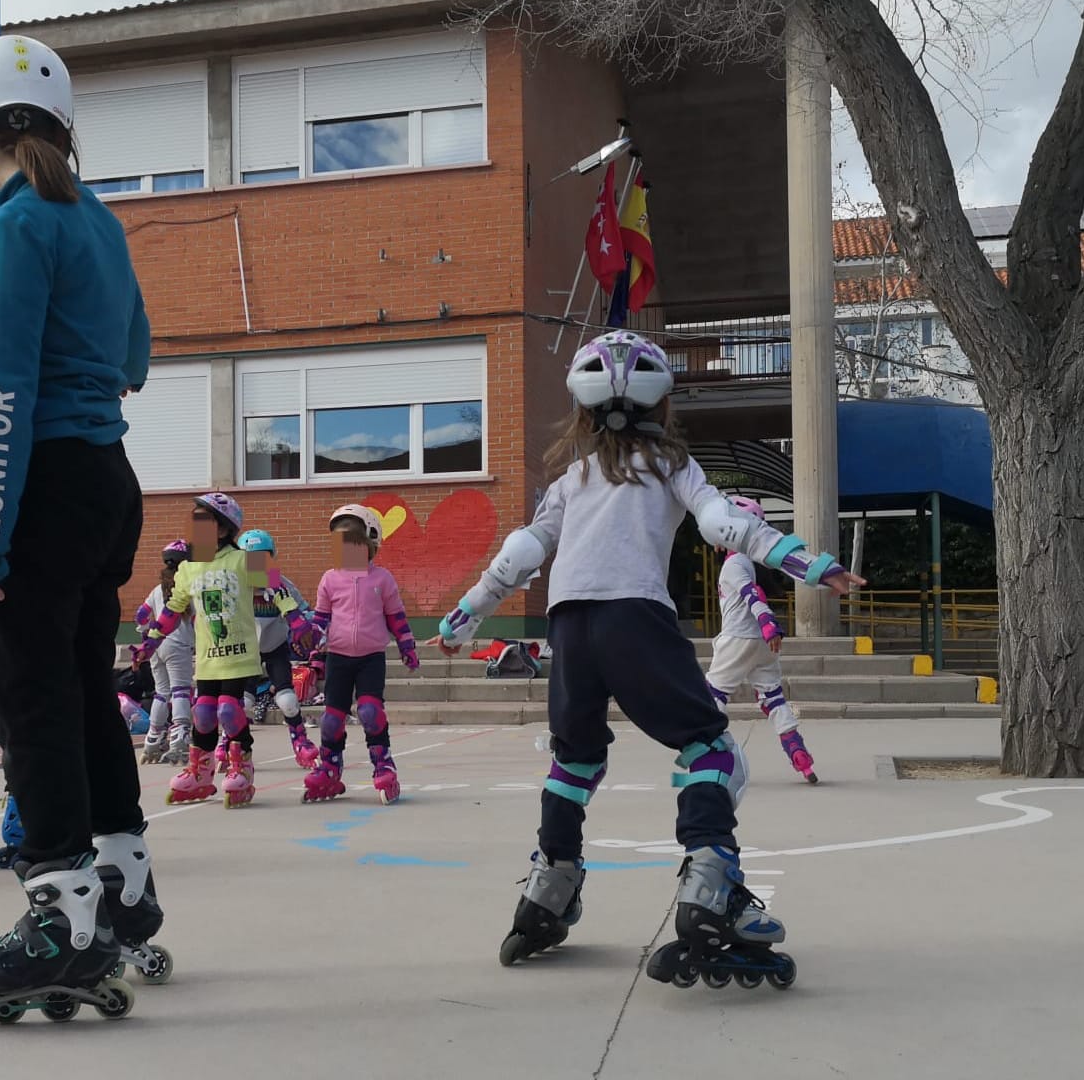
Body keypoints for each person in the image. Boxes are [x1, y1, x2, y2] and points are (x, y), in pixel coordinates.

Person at [429, 332, 862, 985]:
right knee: (711, 752)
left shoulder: (572, 477)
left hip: (568, 630)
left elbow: (521, 553)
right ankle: (712, 883)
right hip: (638, 619)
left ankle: (551, 886)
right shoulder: (671, 467)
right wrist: (814, 564)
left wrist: (463, 619)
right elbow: (725, 527)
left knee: (573, 762)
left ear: (583, 412)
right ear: (662, 407)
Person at [0, 33, 157, 1021]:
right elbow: (134, 355)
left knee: (28, 701)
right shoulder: (97, 221)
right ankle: (122, 885)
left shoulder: (18, 226)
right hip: (108, 476)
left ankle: (58, 919)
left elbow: (2, 398)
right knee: (83, 695)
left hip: (41, 478)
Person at [143, 492, 293, 808]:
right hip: (208, 658)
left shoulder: (244, 560)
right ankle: (201, 771)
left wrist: (298, 618)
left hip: (239, 656)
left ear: (223, 530)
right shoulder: (188, 569)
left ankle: (242, 765)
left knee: (228, 708)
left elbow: (277, 586)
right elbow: (173, 608)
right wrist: (152, 638)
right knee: (204, 713)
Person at [304, 505, 419, 805]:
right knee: (331, 719)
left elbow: (396, 616)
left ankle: (383, 763)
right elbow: (321, 620)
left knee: (369, 712)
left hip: (370, 658)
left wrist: (407, 646)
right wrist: (313, 649)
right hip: (339, 657)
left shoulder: (382, 579)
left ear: (368, 543)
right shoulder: (329, 579)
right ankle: (330, 767)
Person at [706, 497, 817, 784]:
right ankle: (798, 752)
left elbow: (751, 594)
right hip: (761, 645)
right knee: (772, 698)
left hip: (739, 638)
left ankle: (709, 755)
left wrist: (768, 623)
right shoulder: (749, 561)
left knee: (712, 697)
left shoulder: (735, 565)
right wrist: (768, 630)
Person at [239, 527, 321, 769]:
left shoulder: (280, 583)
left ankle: (300, 742)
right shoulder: (235, 587)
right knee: (241, 703)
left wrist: (309, 629)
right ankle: (233, 744)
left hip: (275, 647)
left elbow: (304, 611)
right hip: (245, 650)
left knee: (287, 700)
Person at [131, 540, 196, 765]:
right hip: (178, 644)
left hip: (156, 644)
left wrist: (145, 633)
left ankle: (152, 739)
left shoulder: (157, 590)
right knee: (180, 691)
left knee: (161, 692)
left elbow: (141, 614)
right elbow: (197, 619)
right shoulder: (187, 587)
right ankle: (179, 736)